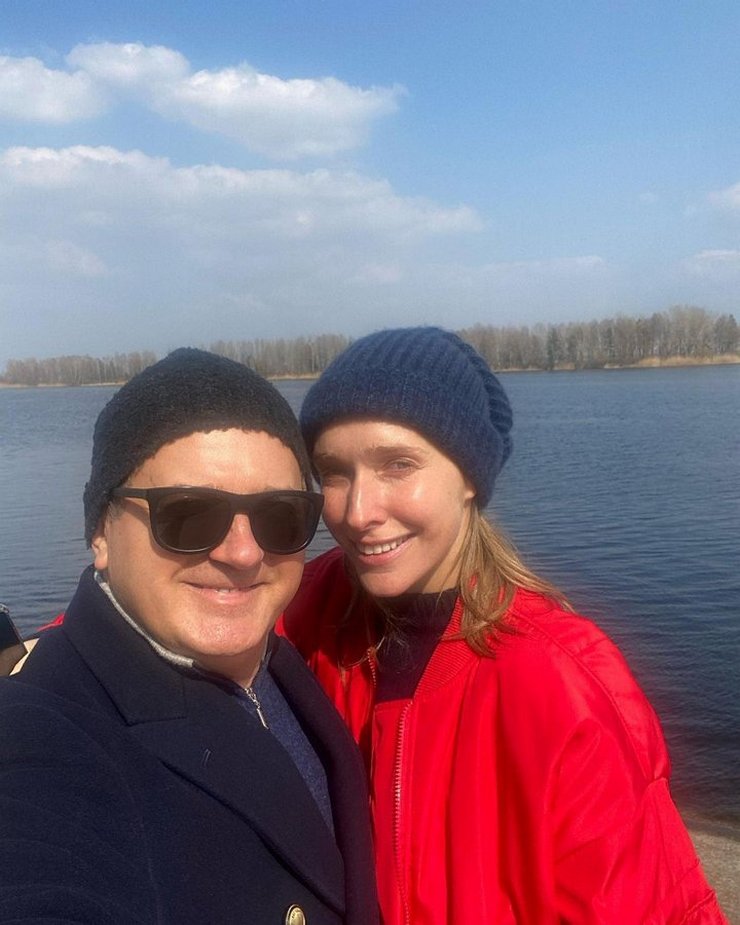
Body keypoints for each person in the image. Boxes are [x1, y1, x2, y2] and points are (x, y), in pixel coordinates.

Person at [279, 327, 728, 924]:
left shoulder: (560, 687)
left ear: (469, 477)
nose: (358, 512)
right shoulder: (306, 612)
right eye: (334, 473)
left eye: (398, 465)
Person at [0, 348, 378, 925]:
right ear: (100, 531)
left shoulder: (278, 666)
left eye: (280, 516)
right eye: (188, 514)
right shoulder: (42, 736)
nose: (244, 553)